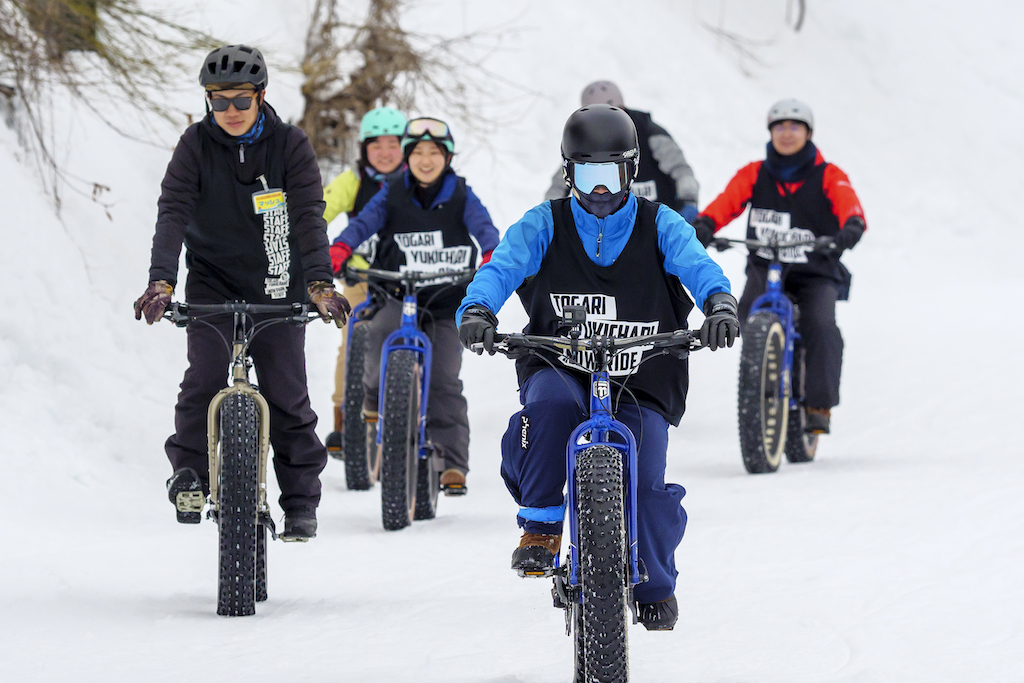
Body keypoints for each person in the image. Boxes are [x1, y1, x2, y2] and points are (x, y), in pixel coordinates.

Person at [457, 104, 739, 630]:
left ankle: (654, 579)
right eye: (586, 173)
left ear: (631, 171)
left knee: (647, 483)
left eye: (611, 173)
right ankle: (541, 526)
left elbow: (698, 266)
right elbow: (501, 268)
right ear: (569, 173)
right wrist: (478, 309)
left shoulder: (661, 224)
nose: (600, 187)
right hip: (560, 361)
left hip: (645, 370)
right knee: (551, 408)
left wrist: (718, 303)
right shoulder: (544, 223)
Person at [133, 44, 350, 541]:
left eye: (240, 101)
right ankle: (189, 476)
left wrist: (318, 283)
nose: (230, 111)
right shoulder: (194, 145)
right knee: (203, 377)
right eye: (219, 101)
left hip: (278, 282)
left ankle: (299, 504)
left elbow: (308, 219)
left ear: (261, 96)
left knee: (287, 393)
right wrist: (161, 280)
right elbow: (173, 214)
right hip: (212, 279)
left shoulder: (290, 145)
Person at [328, 117, 499, 494]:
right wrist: (341, 247)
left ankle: (452, 463)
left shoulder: (461, 194)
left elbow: (485, 230)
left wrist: (490, 255)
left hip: (444, 298)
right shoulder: (391, 191)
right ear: (408, 157)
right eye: (417, 152)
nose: (425, 160)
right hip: (396, 290)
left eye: (434, 153)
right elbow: (364, 224)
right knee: (378, 339)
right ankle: (374, 397)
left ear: (447, 157)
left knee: (443, 380)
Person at [690, 98, 866, 434]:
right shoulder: (755, 173)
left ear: (808, 132)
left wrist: (850, 228)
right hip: (766, 268)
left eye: (794, 127)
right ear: (770, 132)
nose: (787, 134)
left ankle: (818, 405)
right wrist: (706, 225)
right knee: (745, 315)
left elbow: (850, 208)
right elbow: (727, 203)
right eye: (779, 126)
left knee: (821, 325)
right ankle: (764, 371)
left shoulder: (829, 174)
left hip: (814, 271)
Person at [322, 107, 408, 452]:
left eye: (393, 144)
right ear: (364, 149)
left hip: (405, 279)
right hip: (361, 276)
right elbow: (320, 211)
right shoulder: (353, 181)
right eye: (377, 145)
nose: (385, 153)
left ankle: (413, 414)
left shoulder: (416, 179)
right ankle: (344, 420)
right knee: (353, 339)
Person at [544, 80, 700, 222]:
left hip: (660, 223)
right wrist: (550, 214)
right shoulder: (585, 139)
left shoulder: (650, 133)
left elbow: (680, 169)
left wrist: (688, 201)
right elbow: (562, 179)